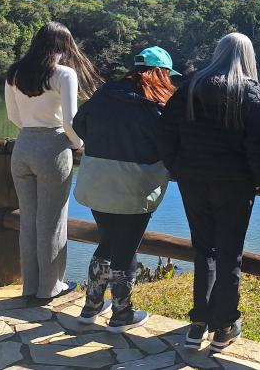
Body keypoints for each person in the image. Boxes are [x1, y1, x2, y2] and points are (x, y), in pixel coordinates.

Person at [157, 33, 260, 353]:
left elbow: (165, 132)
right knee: (229, 253)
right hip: (234, 185)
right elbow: (259, 143)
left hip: (193, 183)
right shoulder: (250, 89)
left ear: (217, 52)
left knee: (203, 250)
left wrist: (177, 168)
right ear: (248, 56)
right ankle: (223, 327)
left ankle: (197, 324)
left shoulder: (190, 86)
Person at [72, 46, 180, 332]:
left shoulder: (105, 93)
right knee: (125, 248)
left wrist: (104, 145)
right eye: (168, 74)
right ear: (161, 73)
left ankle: (91, 306)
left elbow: (78, 123)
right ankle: (121, 315)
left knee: (108, 241)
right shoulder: (157, 106)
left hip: (97, 181)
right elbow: (169, 146)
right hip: (135, 187)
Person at [4, 22, 102, 300]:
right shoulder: (64, 74)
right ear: (64, 45)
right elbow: (71, 121)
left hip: (23, 146)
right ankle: (51, 287)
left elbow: (13, 116)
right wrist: (78, 143)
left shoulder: (15, 73)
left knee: (29, 220)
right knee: (52, 221)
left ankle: (30, 286)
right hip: (53, 148)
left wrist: (32, 130)